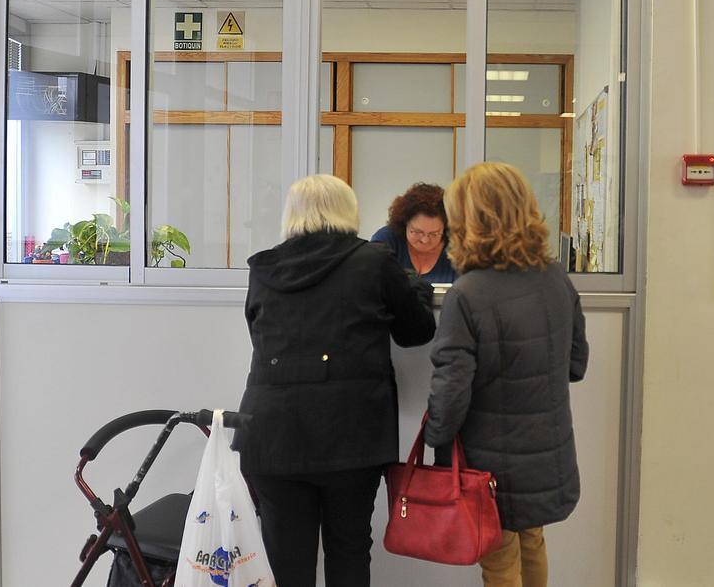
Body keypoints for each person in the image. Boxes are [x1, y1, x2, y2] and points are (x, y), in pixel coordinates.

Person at [238, 174, 436, 587]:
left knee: (286, 563)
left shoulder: (264, 269)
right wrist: (416, 286)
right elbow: (416, 332)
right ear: (348, 211)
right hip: (351, 436)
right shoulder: (375, 262)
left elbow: (258, 334)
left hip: (272, 437)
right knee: (348, 552)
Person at [424, 162, 589, 587]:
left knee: (497, 558)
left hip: (490, 461)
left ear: (469, 220)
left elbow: (451, 388)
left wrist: (435, 442)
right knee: (531, 539)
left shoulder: (468, 293)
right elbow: (576, 363)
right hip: (547, 452)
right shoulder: (555, 277)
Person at [370, 182, 458, 283]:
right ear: (404, 223)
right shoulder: (386, 240)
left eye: (434, 234)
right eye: (417, 232)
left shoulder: (456, 246)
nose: (425, 240)